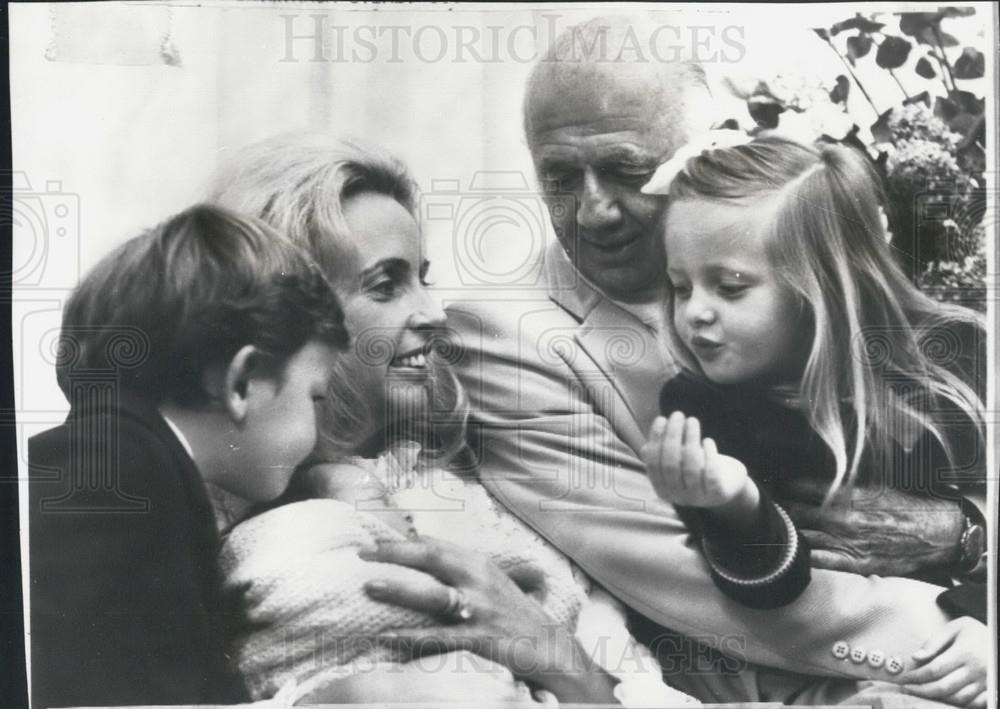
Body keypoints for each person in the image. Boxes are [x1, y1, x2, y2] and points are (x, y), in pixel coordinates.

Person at [443, 14, 988, 706]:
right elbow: (684, 581)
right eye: (560, 178)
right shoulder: (499, 337)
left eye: (624, 169)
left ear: (698, 150)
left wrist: (968, 539)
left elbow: (959, 448)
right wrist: (958, 638)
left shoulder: (803, 232)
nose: (593, 210)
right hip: (807, 671)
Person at [208, 133, 697, 706]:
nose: (435, 313)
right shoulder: (232, 525)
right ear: (286, 319)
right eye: (387, 285)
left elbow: (627, 682)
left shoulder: (476, 481)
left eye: (424, 276)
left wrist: (558, 660)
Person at [637, 135, 988, 708]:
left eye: (730, 287)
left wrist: (985, 622)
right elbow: (775, 589)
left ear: (820, 284)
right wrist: (735, 506)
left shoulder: (952, 358)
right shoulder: (703, 408)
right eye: (680, 287)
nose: (694, 310)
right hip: (860, 673)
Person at [27, 205, 348, 708]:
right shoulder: (114, 467)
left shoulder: (142, 467)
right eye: (317, 396)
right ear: (243, 381)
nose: (317, 423)